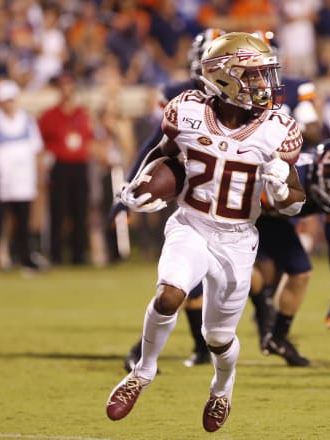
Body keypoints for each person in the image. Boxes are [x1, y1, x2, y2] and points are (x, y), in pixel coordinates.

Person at [106, 32, 305, 432]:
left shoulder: (277, 129)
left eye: (264, 75)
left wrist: (284, 191)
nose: (263, 85)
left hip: (237, 239)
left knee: (218, 337)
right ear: (226, 77)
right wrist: (143, 185)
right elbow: (164, 152)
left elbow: (296, 202)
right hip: (191, 224)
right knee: (169, 295)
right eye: (253, 76)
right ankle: (142, 372)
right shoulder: (187, 109)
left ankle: (222, 387)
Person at [118, 28, 225, 372]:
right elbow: (155, 147)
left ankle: (198, 348)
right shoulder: (181, 98)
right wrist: (133, 188)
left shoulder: (242, 104)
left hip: (227, 200)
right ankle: (143, 352)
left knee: (211, 282)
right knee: (186, 283)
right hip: (190, 200)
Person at [259, 138, 330, 367]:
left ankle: (276, 337)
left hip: (274, 219)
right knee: (252, 278)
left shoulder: (326, 186)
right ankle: (261, 314)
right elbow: (253, 206)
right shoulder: (290, 172)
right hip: (248, 213)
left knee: (300, 271)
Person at [0, 79, 43, 273]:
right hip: (1, 179)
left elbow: (36, 149)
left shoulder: (27, 120)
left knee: (23, 222)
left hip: (23, 179)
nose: (8, 104)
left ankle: (26, 259)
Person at [38, 72, 94, 265]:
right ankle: (56, 255)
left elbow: (89, 138)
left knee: (79, 210)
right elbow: (41, 142)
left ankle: (79, 254)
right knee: (58, 211)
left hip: (79, 165)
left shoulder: (82, 114)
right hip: (60, 166)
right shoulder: (50, 115)